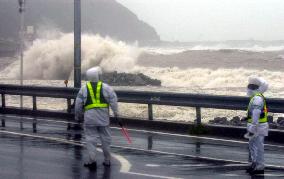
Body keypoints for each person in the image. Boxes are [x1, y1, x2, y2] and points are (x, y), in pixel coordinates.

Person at [75, 66, 122, 170]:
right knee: (106, 140)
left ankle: (92, 161)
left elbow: (78, 104)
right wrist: (117, 115)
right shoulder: (107, 87)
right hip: (103, 119)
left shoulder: (83, 89)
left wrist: (78, 116)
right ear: (98, 76)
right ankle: (107, 160)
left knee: (91, 140)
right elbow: (114, 101)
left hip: (90, 119)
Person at [244, 76, 269, 175]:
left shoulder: (257, 98)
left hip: (258, 126)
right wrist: (247, 118)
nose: (248, 89)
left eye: (250, 87)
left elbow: (256, 113)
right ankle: (254, 164)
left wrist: (253, 126)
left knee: (258, 147)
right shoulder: (255, 97)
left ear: (255, 88)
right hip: (256, 125)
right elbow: (253, 113)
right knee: (252, 146)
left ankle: (260, 167)